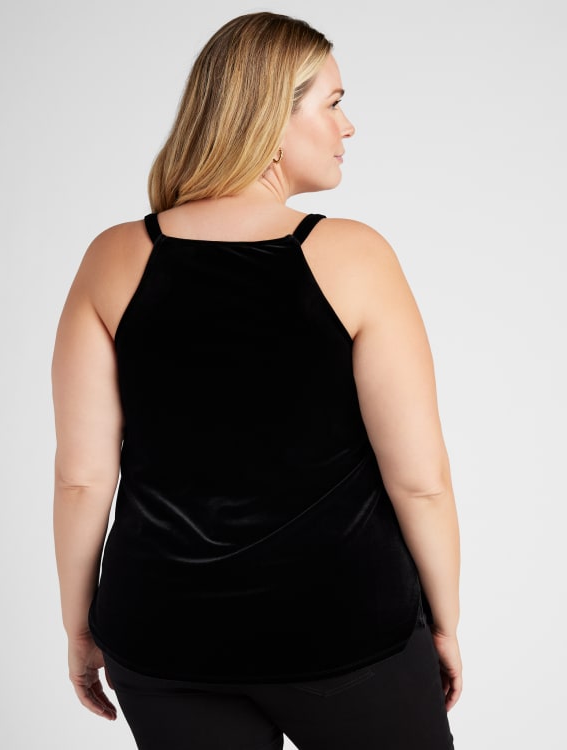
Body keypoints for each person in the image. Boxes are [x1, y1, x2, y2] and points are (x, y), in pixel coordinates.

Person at [52, 11, 462, 750]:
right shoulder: (354, 256)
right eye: (333, 104)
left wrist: (79, 627)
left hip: (163, 636)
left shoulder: (112, 258)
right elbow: (421, 480)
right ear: (271, 118)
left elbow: (82, 479)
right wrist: (445, 623)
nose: (348, 126)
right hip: (345, 630)